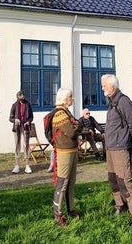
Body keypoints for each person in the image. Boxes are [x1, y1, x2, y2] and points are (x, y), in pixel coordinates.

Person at [101, 74, 132, 227]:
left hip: (120, 148)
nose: (102, 88)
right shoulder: (112, 102)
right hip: (110, 147)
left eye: (104, 86)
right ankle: (121, 206)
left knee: (125, 181)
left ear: (112, 86)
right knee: (113, 179)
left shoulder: (123, 101)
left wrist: (128, 140)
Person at [51, 88, 81, 227]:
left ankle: (71, 209)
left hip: (72, 150)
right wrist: (78, 127)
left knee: (71, 183)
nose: (72, 99)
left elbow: (74, 127)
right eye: (70, 96)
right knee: (62, 184)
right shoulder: (60, 114)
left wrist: (77, 126)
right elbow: (71, 132)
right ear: (64, 98)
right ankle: (58, 215)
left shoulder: (66, 112)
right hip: (64, 151)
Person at [8, 90, 33, 174]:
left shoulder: (28, 104)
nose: (22, 97)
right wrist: (15, 119)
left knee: (26, 146)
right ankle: (17, 166)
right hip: (17, 128)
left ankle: (27, 165)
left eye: (23, 95)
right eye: (20, 96)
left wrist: (28, 122)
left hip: (26, 128)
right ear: (17, 97)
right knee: (17, 145)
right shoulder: (14, 105)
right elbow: (10, 118)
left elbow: (31, 117)